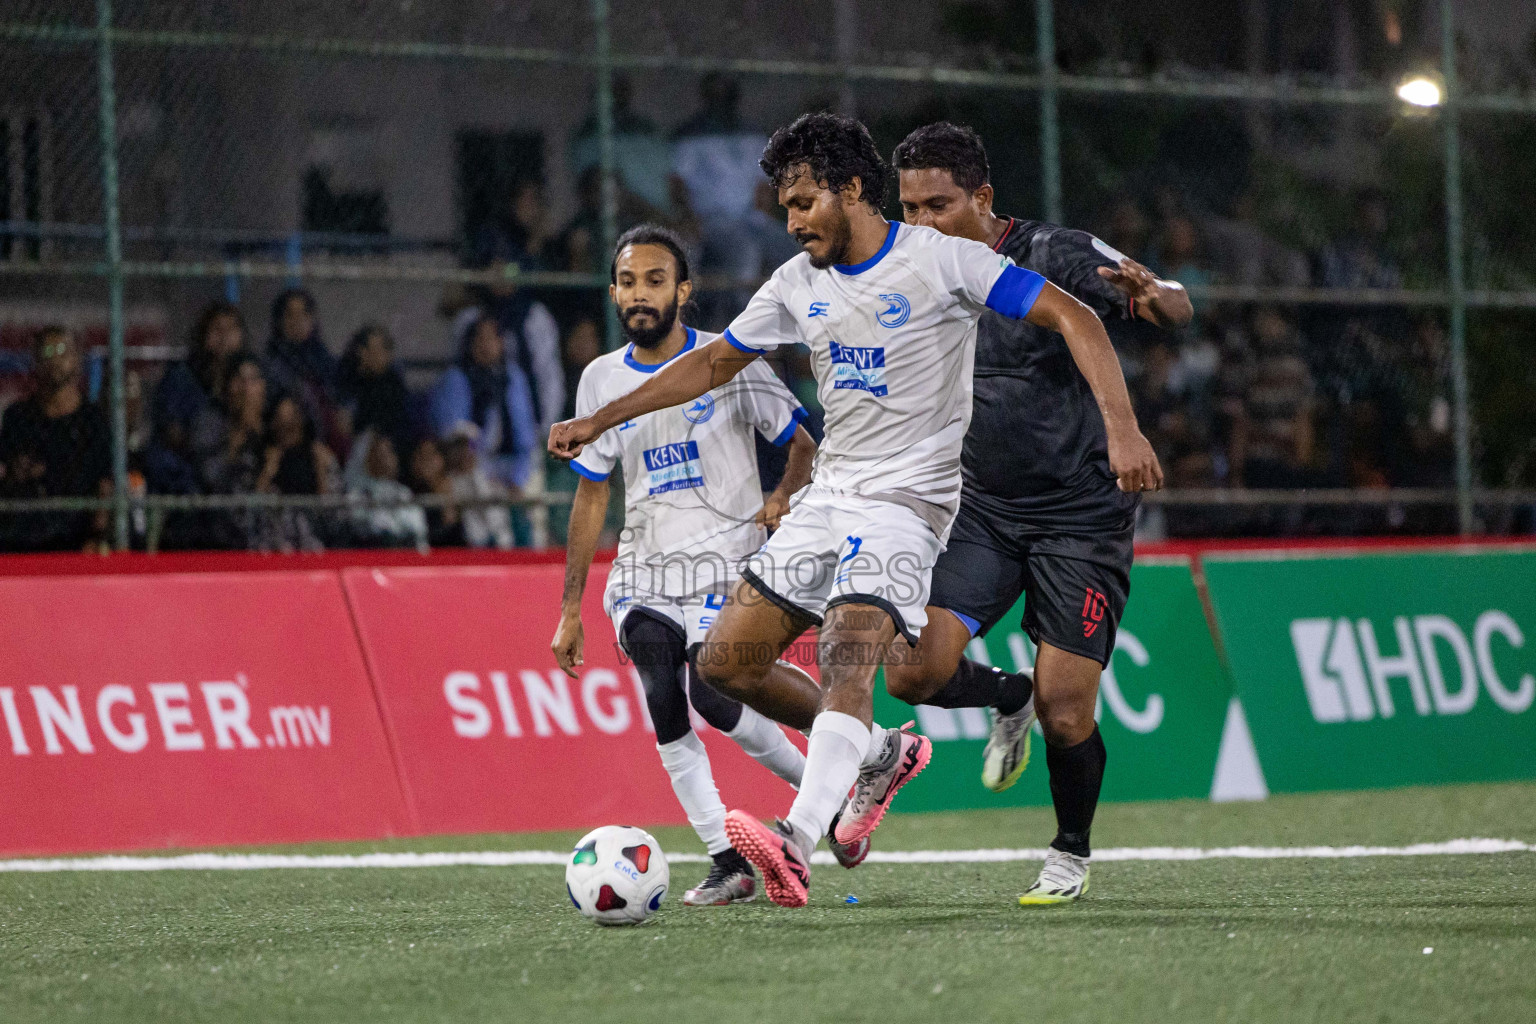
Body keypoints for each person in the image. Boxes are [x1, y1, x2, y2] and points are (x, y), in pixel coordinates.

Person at [550, 113, 1161, 908]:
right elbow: (712, 362)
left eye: (804, 202)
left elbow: (1075, 316)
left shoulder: (943, 261)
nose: (793, 219)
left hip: (912, 504)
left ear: (850, 189)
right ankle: (877, 755)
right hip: (828, 496)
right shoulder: (797, 281)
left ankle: (797, 841)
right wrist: (603, 418)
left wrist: (1121, 428)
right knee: (724, 666)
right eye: (786, 206)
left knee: (849, 653)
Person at [884, 122, 1187, 904]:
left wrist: (1159, 307)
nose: (920, 224)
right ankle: (1002, 696)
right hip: (980, 508)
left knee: (1066, 708)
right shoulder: (907, 269)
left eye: (938, 205)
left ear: (982, 199)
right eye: (908, 207)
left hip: (1080, 514)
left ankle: (1070, 853)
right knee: (911, 673)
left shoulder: (1053, 254)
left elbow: (1169, 311)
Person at [552, 224, 868, 905]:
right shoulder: (599, 379)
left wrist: (783, 495)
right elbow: (590, 492)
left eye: (656, 281)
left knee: (714, 694)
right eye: (629, 282)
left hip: (728, 565)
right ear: (614, 292)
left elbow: (802, 442)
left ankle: (823, 790)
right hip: (644, 569)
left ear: (683, 291)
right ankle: (727, 859)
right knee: (661, 682)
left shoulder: (733, 363)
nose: (640, 294)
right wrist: (570, 609)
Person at [0, 326, 112, 552]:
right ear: (36, 362)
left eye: (63, 351)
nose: (56, 359)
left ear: (77, 360)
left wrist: (97, 535)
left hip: (76, 540)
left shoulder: (94, 420)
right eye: (48, 352)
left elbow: (105, 483)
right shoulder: (17, 417)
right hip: (22, 539)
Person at [147, 301, 250, 494]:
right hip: (184, 475)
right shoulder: (182, 377)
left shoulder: (249, 377)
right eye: (217, 329)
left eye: (231, 329)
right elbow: (173, 433)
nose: (224, 337)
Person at [265, 287, 341, 451]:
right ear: (279, 321)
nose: (298, 320)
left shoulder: (325, 361)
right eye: (290, 315)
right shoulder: (271, 366)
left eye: (304, 314)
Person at [337, 323, 413, 458]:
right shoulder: (345, 377)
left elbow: (392, 424)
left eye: (380, 351)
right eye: (368, 350)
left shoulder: (393, 384)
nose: (375, 355)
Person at [344, 429, 427, 550]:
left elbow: (419, 532)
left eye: (389, 452)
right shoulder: (357, 494)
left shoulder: (403, 492)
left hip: (407, 556)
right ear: (368, 457)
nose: (386, 459)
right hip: (375, 555)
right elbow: (362, 530)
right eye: (380, 453)